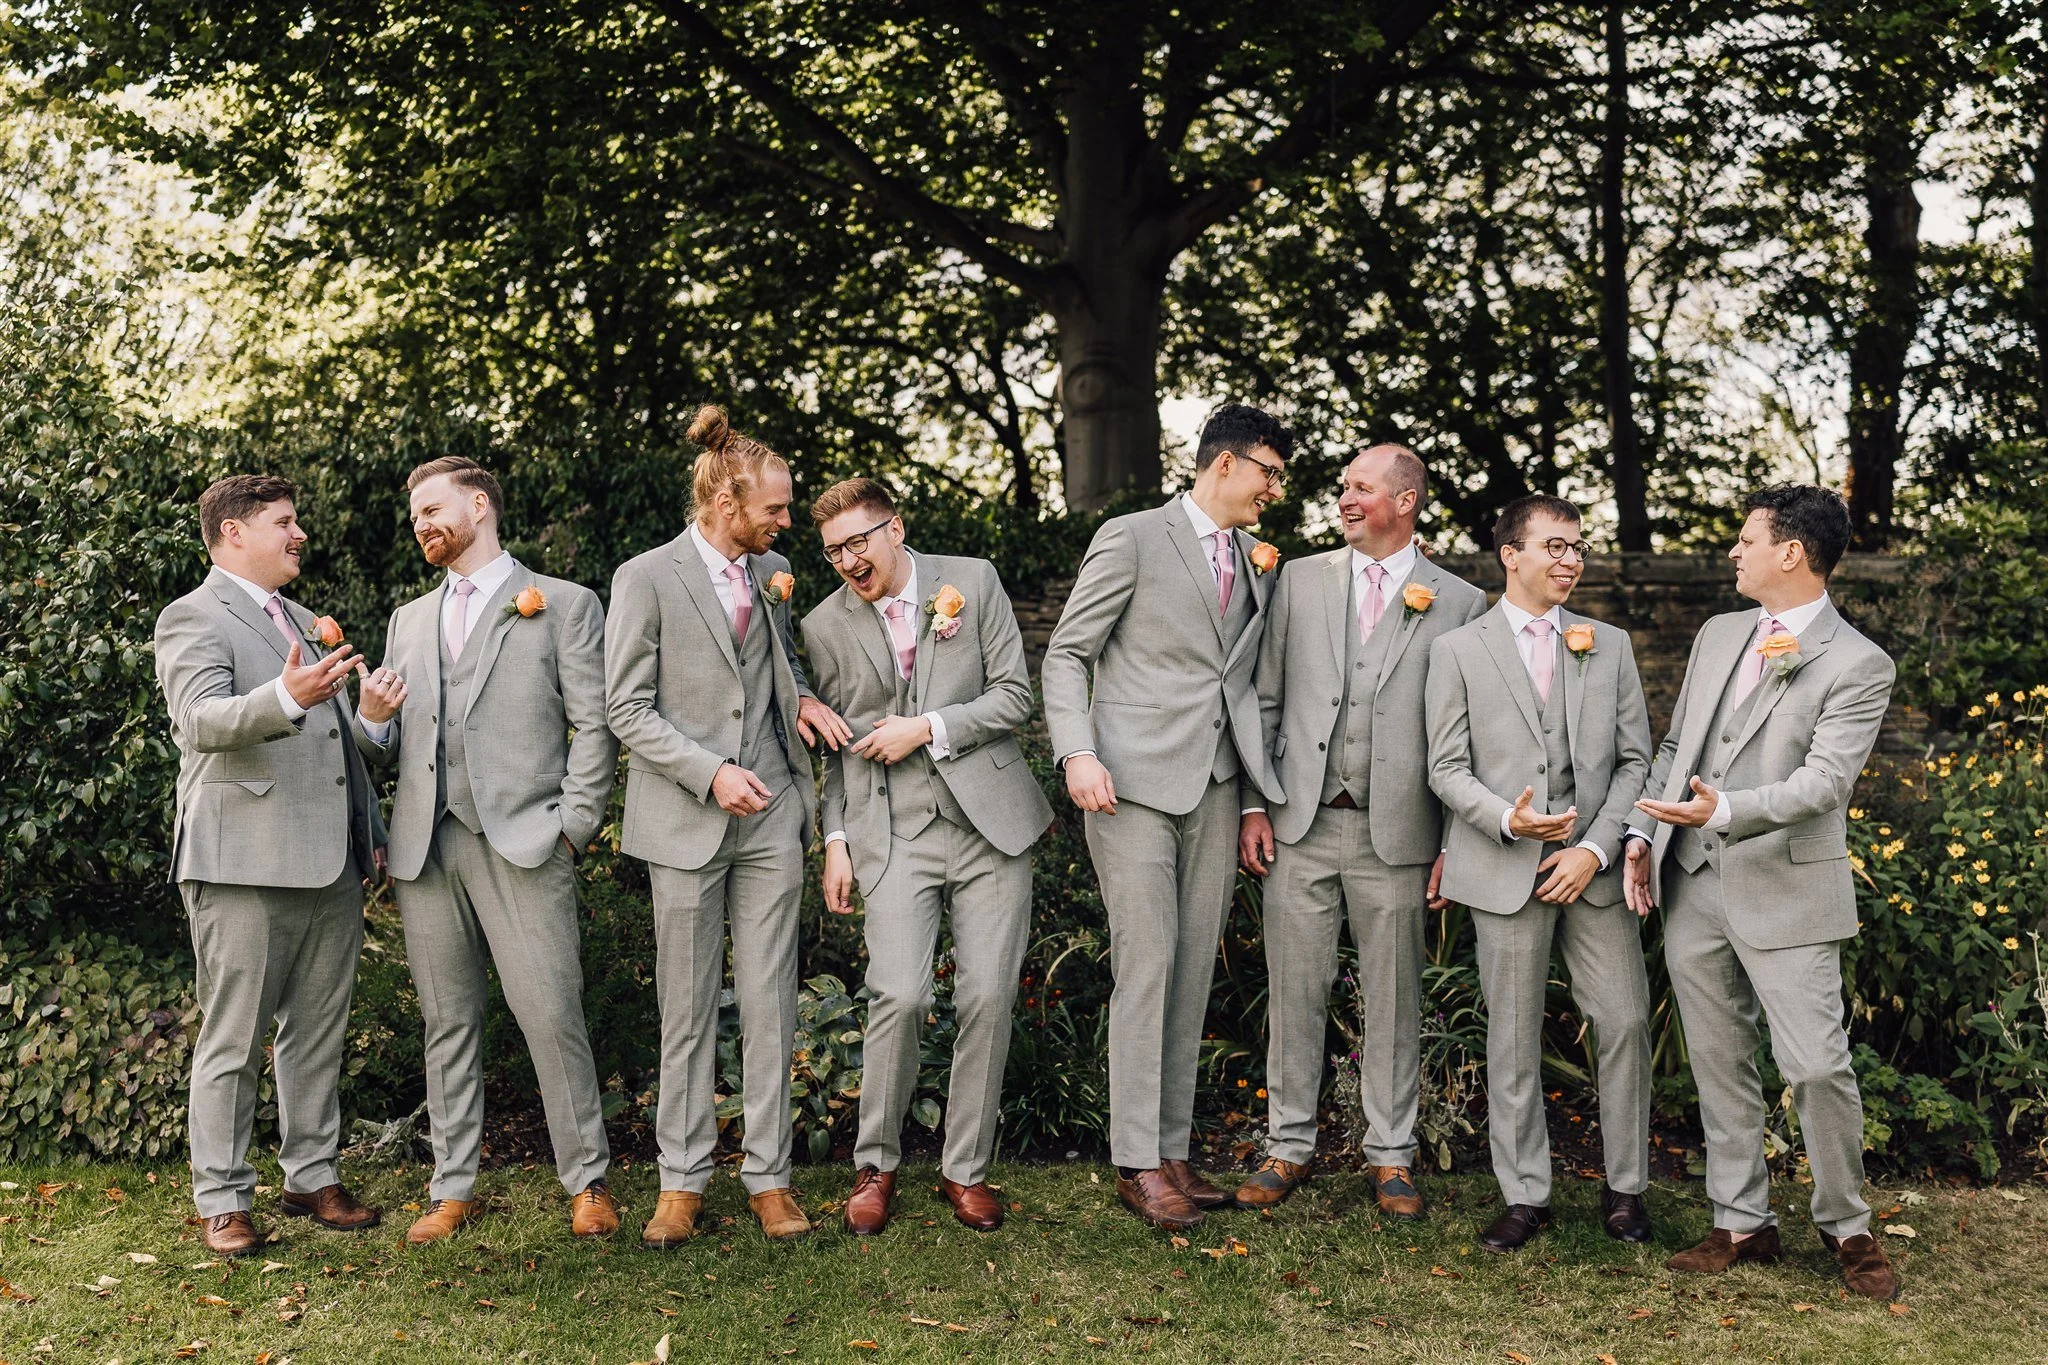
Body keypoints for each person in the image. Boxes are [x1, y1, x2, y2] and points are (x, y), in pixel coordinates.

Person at [1627, 484, 1900, 1300]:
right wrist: (1645, 835)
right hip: (1693, 881)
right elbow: (1679, 742)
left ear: (1791, 551)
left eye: (1747, 540)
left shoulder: (1860, 663)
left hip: (1786, 886)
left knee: (1816, 1065)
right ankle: (1741, 1219)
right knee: (1718, 1060)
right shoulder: (1718, 634)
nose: (1735, 553)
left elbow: (1824, 784)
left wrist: (1730, 809)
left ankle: (1847, 1224)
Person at [352, 456, 619, 1244]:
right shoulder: (407, 618)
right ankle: (452, 1186)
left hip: (527, 839)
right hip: (427, 848)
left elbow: (595, 723)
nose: (421, 524)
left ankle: (589, 1180)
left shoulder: (563, 604)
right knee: (448, 1019)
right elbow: (388, 738)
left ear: (478, 505)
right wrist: (370, 718)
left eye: (432, 508)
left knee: (550, 1012)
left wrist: (574, 821)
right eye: (413, 517)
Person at [1041, 402, 1291, 1230]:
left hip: (1217, 789)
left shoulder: (1257, 561)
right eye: (1269, 471)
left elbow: (1245, 686)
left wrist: (1254, 798)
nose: (1275, 490)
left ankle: (1175, 1147)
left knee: (1190, 971)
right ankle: (1137, 1161)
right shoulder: (1133, 536)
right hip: (1129, 785)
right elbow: (1069, 651)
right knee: (1146, 964)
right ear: (1225, 463)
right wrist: (1077, 751)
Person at [605, 405, 850, 1245]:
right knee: (687, 1005)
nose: (788, 523)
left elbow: (774, 666)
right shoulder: (646, 576)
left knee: (773, 998)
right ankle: (681, 1179)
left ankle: (770, 1175)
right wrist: (708, 771)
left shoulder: (771, 569)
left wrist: (805, 697)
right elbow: (624, 707)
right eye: (776, 509)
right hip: (685, 818)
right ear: (725, 501)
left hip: (775, 812)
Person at [1236, 445, 1486, 1215]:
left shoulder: (1461, 600)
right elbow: (1264, 695)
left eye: (1360, 487)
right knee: (1294, 990)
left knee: (1396, 996)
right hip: (1300, 822)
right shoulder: (1298, 580)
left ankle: (1391, 1154)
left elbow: (1465, 736)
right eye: (1342, 486)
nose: (1343, 498)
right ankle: (1287, 1145)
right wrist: (1254, 802)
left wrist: (1455, 842)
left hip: (1401, 831)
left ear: (1405, 501)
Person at [800, 478, 1053, 1235]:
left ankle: (964, 1169)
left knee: (985, 997)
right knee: (900, 996)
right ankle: (875, 1164)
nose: (847, 561)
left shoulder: (971, 581)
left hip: (989, 827)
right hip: (893, 831)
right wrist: (835, 840)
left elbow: (1014, 696)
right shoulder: (822, 624)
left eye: (858, 542)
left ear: (895, 528)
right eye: (832, 551)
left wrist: (929, 726)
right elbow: (836, 749)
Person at [153, 474, 385, 1256]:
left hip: (330, 862)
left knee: (317, 1031)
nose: (299, 535)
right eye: (284, 522)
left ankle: (310, 1173)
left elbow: (336, 746)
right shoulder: (191, 615)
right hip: (241, 860)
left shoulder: (296, 619)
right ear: (232, 534)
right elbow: (202, 719)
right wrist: (285, 697)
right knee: (235, 1035)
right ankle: (222, 1195)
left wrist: (369, 802)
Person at [1425, 494, 1654, 1252]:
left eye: (1578, 547)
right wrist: (1506, 818)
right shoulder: (1459, 650)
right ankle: (1526, 1194)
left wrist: (1591, 847)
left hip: (1588, 872)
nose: (1571, 560)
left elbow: (1634, 760)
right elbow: (1445, 766)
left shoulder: (1607, 644)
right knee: (1513, 1036)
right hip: (1503, 867)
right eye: (1555, 546)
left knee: (1622, 1022)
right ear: (1510, 555)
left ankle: (1626, 1190)